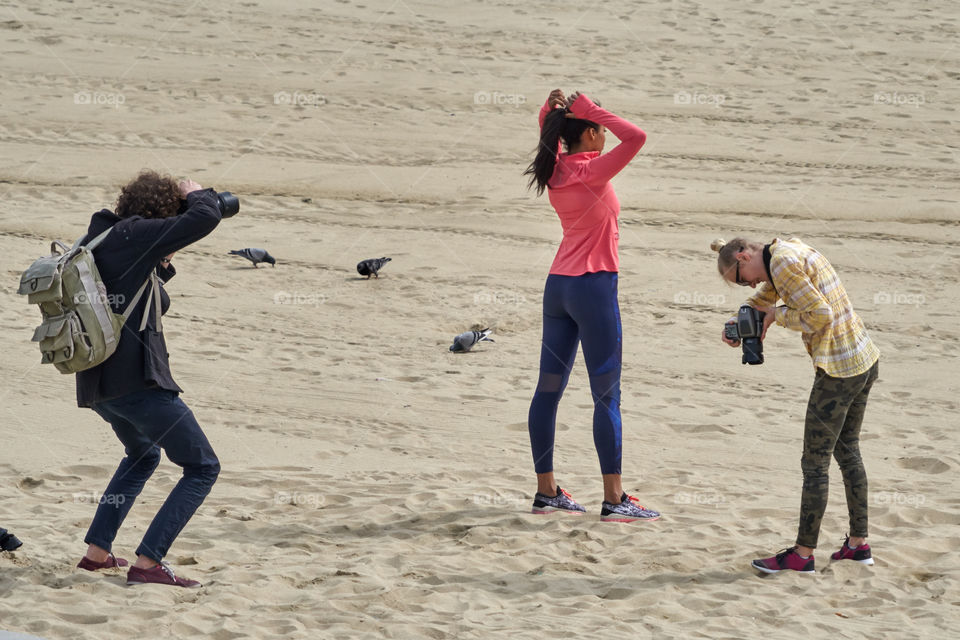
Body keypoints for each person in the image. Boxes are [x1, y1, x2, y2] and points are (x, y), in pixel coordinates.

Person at [74, 170, 224, 587]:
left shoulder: (101, 237)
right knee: (202, 467)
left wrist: (162, 264)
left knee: (143, 456)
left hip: (97, 384)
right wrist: (198, 195)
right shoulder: (137, 235)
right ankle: (147, 563)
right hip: (137, 383)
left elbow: (137, 301)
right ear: (160, 211)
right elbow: (205, 219)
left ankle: (97, 554)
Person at [522, 89, 659, 522]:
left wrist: (554, 109)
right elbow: (636, 137)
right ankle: (615, 500)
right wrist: (588, 110)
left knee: (548, 391)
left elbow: (549, 128)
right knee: (607, 396)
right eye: (598, 129)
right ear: (589, 134)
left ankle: (547, 493)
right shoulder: (592, 172)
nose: (604, 133)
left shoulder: (555, 167)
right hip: (594, 289)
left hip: (558, 287)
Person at [713, 236, 880, 573]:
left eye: (743, 278)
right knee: (849, 452)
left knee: (814, 465)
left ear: (744, 256)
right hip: (864, 357)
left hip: (838, 370)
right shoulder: (784, 249)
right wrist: (742, 319)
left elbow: (819, 315)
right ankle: (858, 545)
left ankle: (802, 555)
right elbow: (768, 294)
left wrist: (776, 317)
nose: (751, 283)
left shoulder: (782, 264)